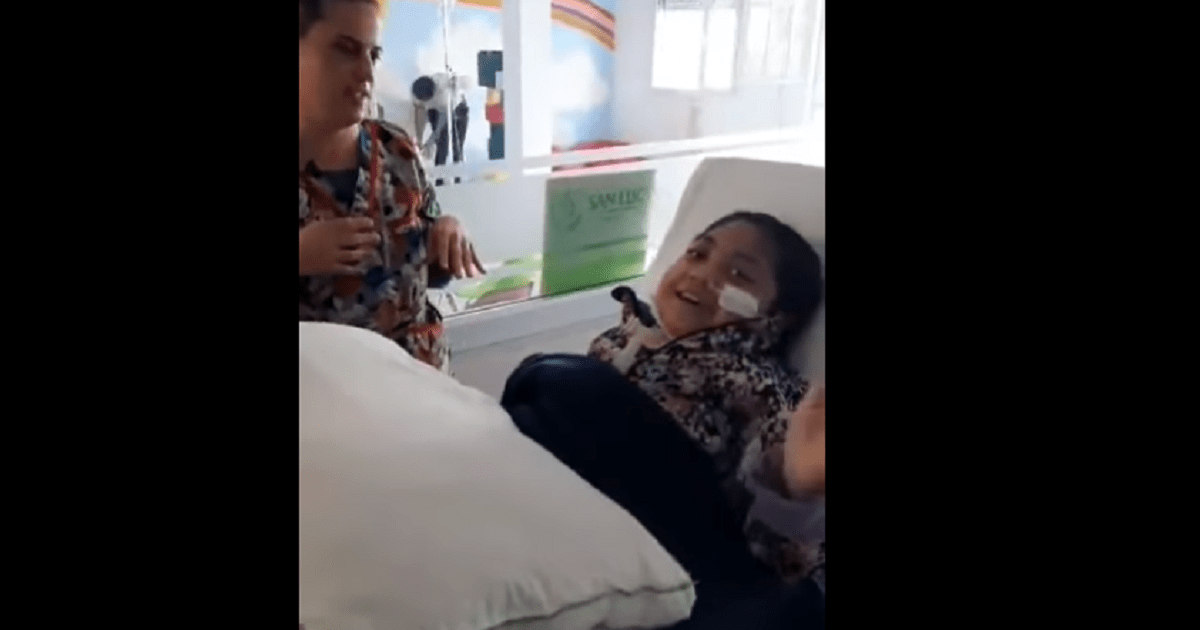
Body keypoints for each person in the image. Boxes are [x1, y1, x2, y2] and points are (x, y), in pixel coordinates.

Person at [502, 211, 825, 627]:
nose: (702, 275)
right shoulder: (619, 340)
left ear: (778, 316)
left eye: (739, 275)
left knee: (563, 380)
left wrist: (796, 485)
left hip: (664, 552)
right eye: (697, 254)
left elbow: (776, 478)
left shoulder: (758, 383)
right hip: (552, 510)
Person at [298, 0, 483, 373]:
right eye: (346, 50)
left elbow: (425, 265)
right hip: (326, 393)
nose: (367, 72)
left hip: (421, 381)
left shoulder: (396, 150)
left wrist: (448, 230)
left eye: (374, 55)